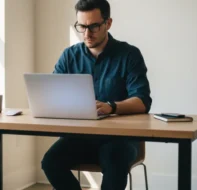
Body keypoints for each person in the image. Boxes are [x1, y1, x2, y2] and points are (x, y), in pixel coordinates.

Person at [41, 0, 152, 190]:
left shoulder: (129, 55)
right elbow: (52, 93)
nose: (86, 33)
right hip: (80, 137)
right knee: (50, 162)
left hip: (121, 139)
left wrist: (112, 106)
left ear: (108, 23)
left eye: (93, 26)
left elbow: (142, 101)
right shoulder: (69, 56)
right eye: (81, 26)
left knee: (114, 158)